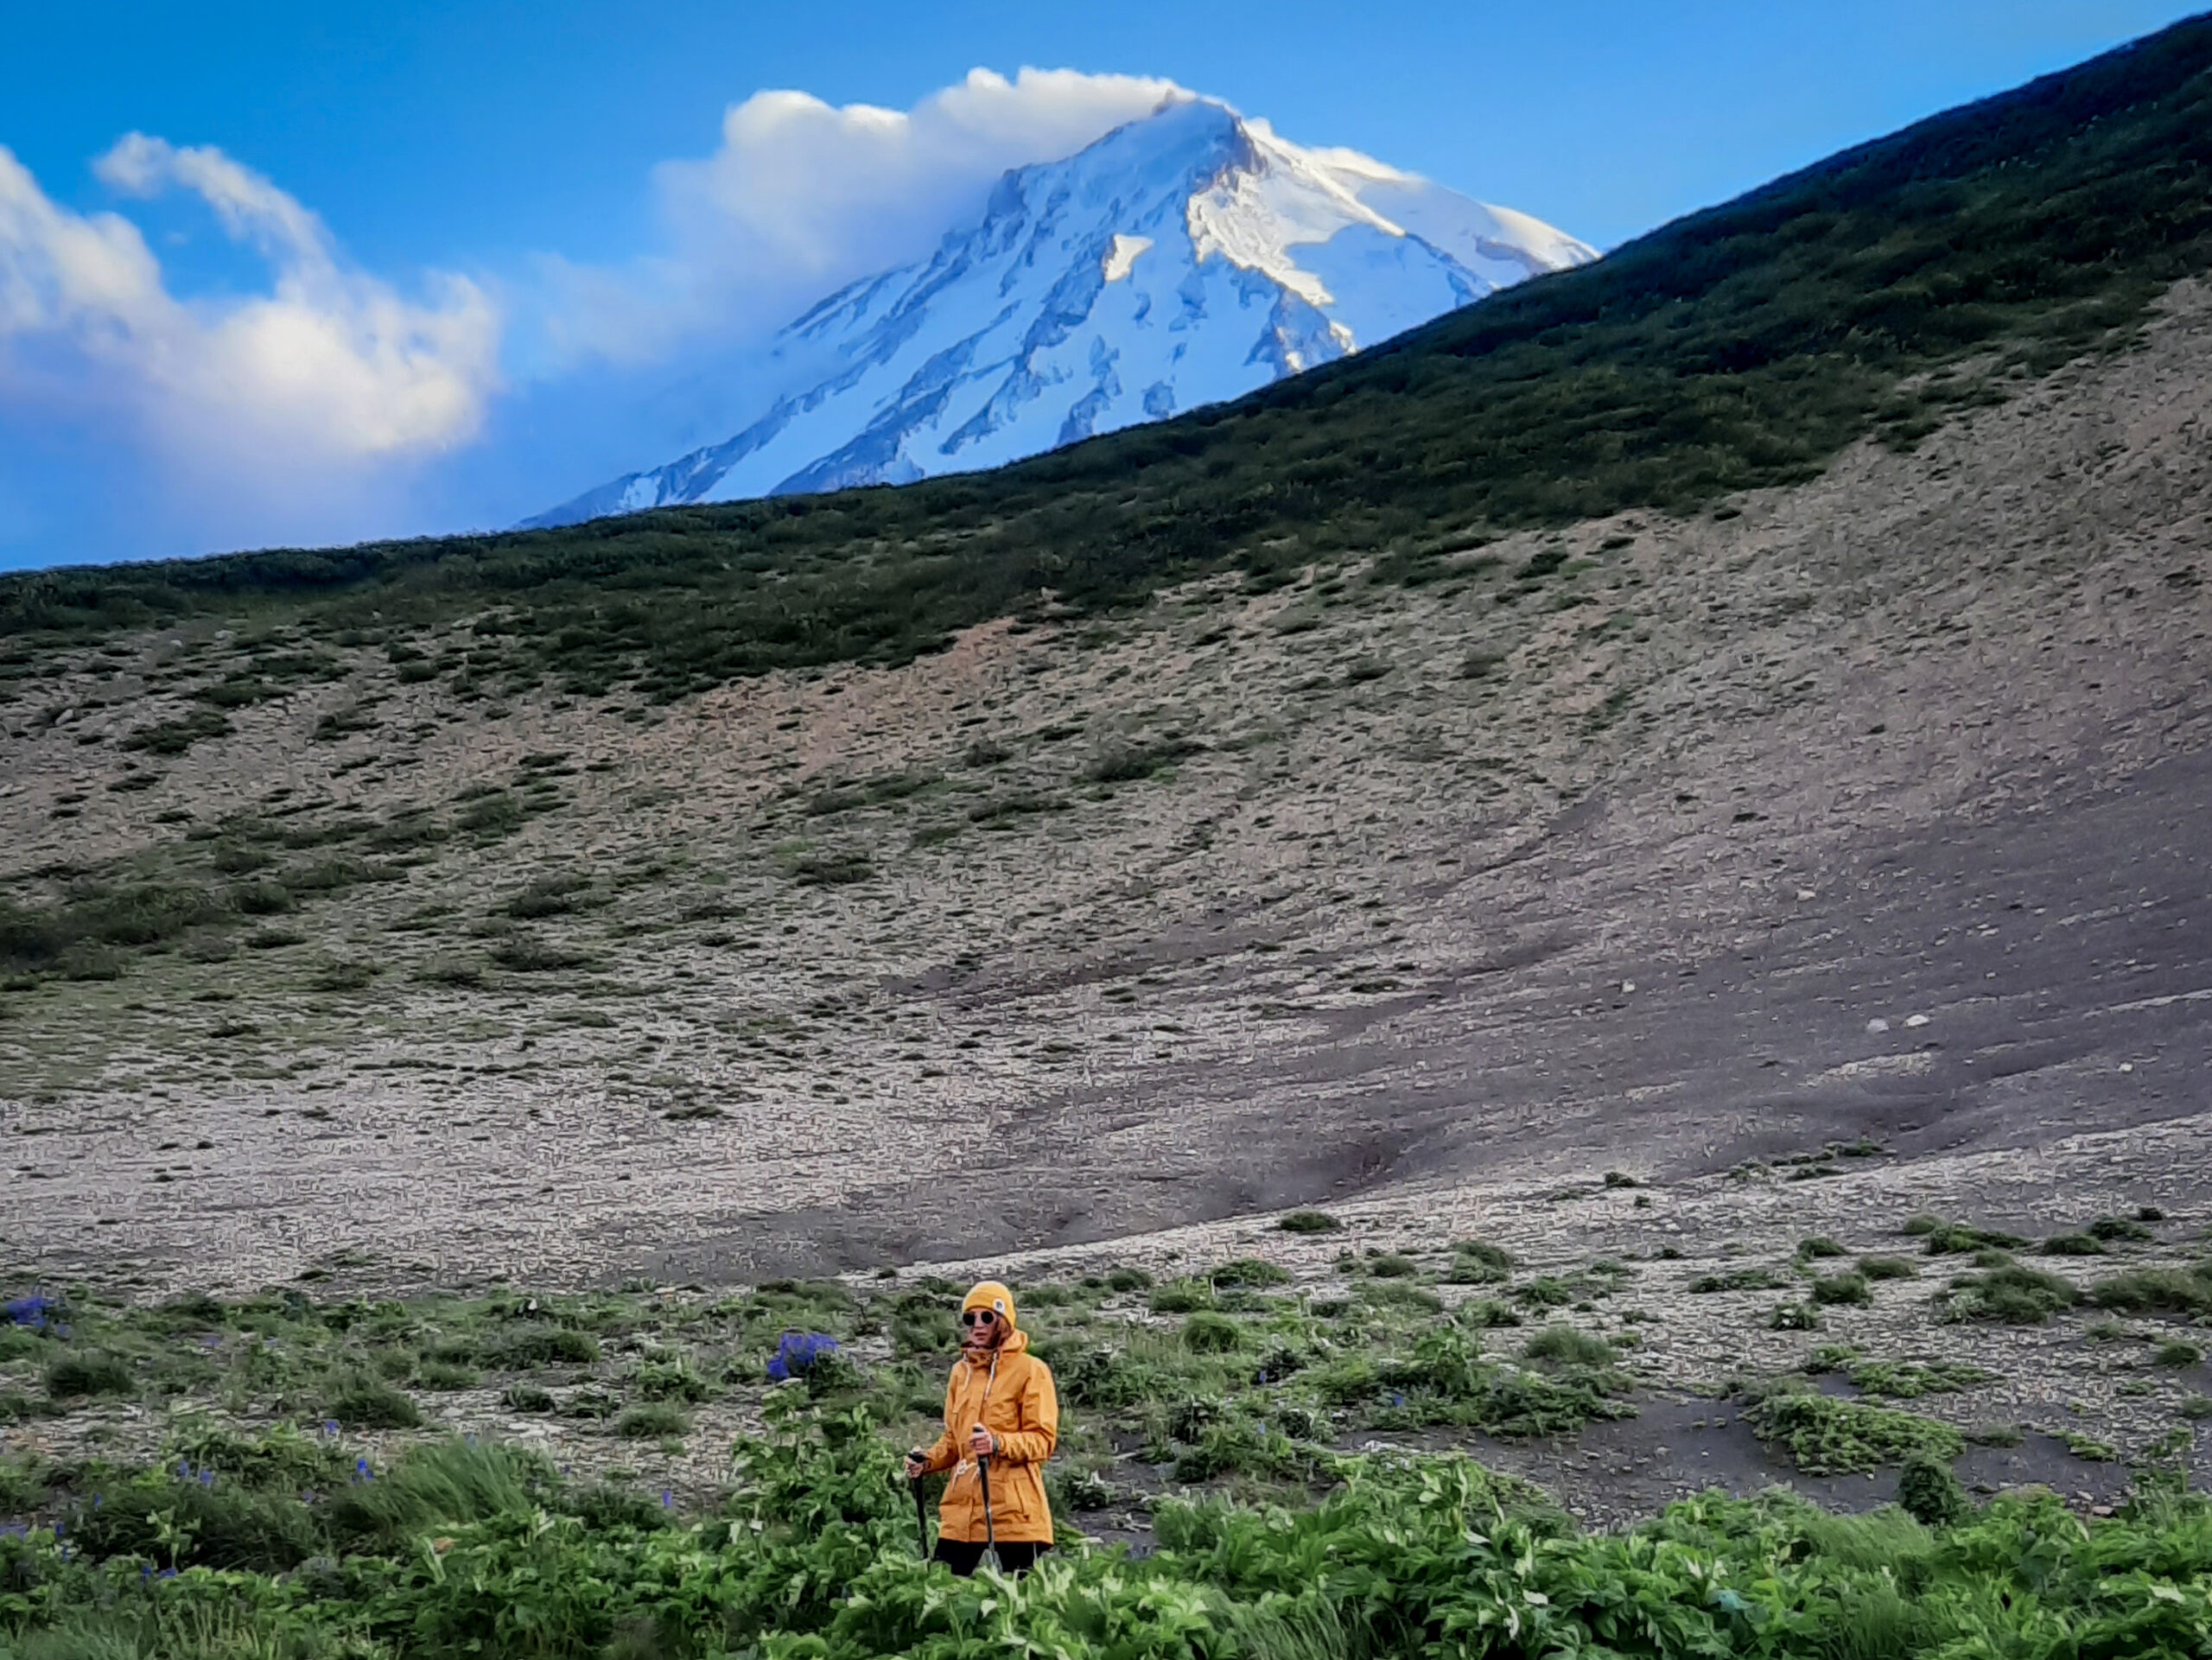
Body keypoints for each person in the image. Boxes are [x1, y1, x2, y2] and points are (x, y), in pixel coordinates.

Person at [905, 1280, 1058, 1574]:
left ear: (1003, 1321)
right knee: (942, 1593)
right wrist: (927, 1461)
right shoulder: (959, 1373)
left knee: (1021, 1606)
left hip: (1015, 1512)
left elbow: (1043, 1441)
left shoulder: (1031, 1370)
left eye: (986, 1316)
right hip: (962, 1512)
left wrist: (998, 1444)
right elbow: (954, 1441)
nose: (977, 1324)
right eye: (969, 1318)